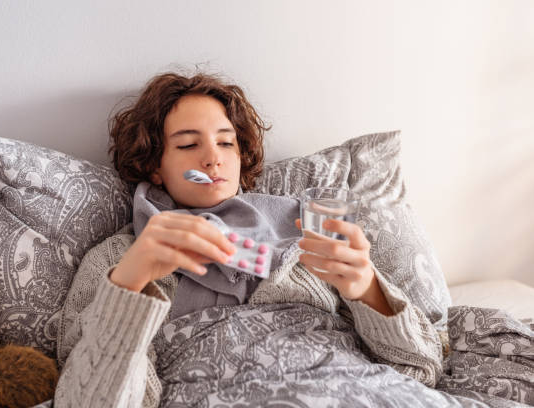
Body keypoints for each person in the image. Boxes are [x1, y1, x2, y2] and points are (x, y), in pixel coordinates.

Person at [53, 72, 443, 407]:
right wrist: (129, 287)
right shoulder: (118, 259)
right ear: (155, 166)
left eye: (226, 142)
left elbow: (421, 367)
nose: (213, 159)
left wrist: (367, 290)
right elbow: (90, 399)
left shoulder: (313, 232)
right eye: (189, 145)